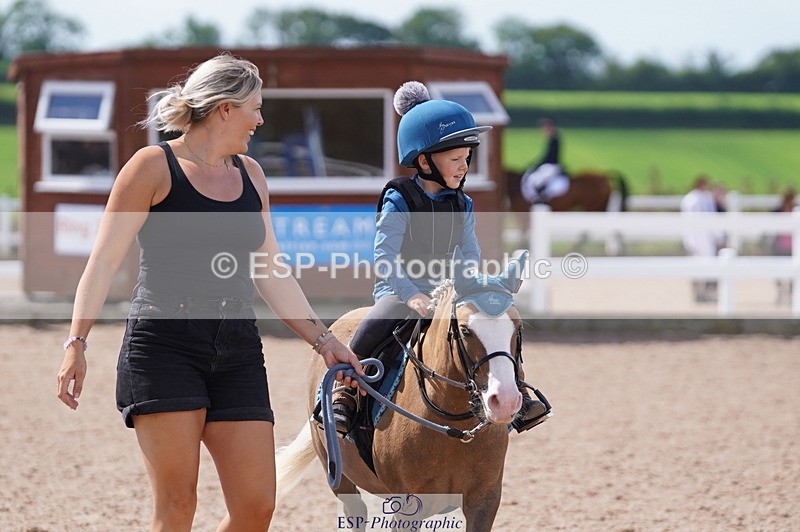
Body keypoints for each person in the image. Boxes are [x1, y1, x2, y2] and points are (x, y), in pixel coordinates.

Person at [55, 53, 365, 531]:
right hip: (164, 347)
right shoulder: (152, 167)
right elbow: (103, 261)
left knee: (257, 505)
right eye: (255, 108)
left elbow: (272, 271)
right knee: (177, 510)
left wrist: (325, 343)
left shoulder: (251, 175)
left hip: (237, 347)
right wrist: (76, 342)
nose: (261, 120)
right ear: (224, 108)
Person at [331, 81, 548, 436]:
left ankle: (517, 392)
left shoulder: (463, 203)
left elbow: (470, 252)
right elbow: (384, 255)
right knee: (372, 328)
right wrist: (410, 294)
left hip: (450, 291)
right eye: (455, 160)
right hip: (400, 291)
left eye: (466, 159)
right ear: (424, 161)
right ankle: (346, 393)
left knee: (496, 325)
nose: (464, 167)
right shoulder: (399, 198)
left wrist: (477, 285)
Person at [680, 175, 720, 302]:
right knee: (696, 267)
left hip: (708, 238)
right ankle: (697, 294)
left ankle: (707, 293)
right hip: (696, 237)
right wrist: (689, 242)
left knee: (710, 268)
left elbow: (713, 218)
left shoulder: (708, 198)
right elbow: (687, 222)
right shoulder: (690, 200)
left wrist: (717, 236)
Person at [519, 117, 569, 204]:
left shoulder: (554, 140)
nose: (543, 129)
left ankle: (540, 200)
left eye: (545, 127)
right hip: (549, 165)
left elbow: (550, 156)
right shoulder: (551, 139)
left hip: (551, 166)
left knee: (535, 181)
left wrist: (539, 164)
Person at [771, 187, 796, 304]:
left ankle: (790, 296)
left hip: (792, 246)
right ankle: (781, 293)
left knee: (793, 274)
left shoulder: (795, 210)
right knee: (778, 272)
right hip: (780, 245)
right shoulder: (778, 210)